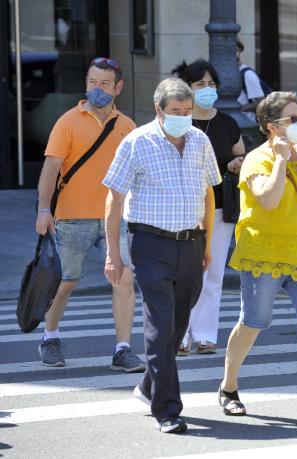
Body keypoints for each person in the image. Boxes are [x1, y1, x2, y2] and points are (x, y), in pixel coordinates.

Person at [219, 91, 297, 426]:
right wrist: (279, 158)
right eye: (292, 119)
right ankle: (229, 385)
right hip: (264, 256)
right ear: (270, 127)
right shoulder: (256, 159)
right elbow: (269, 199)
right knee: (253, 323)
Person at [102, 78, 222, 433]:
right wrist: (113, 255)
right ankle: (167, 409)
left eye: (187, 112)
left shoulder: (200, 140)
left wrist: (208, 244)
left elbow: (207, 194)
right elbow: (113, 199)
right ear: (159, 110)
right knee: (160, 322)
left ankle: (148, 387)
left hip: (191, 242)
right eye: (175, 112)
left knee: (178, 323)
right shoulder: (137, 142)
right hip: (150, 243)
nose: (183, 117)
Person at [34, 57, 144, 373]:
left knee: (123, 279)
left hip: (117, 217)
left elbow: (137, 173)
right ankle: (50, 337)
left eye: (104, 83)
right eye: (92, 82)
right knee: (65, 283)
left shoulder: (127, 126)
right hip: (72, 217)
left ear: (118, 87)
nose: (97, 88)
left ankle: (123, 349)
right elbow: (50, 169)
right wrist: (44, 210)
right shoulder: (68, 121)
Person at [172, 59, 245, 355]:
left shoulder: (227, 123)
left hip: (218, 207)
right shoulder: (179, 123)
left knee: (212, 273)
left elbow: (242, 155)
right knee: (183, 272)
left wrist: (237, 163)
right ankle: (181, 334)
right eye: (199, 83)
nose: (206, 89)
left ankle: (203, 334)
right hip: (182, 208)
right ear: (187, 88)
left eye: (211, 83)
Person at [237, 40, 267, 123]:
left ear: (239, 50)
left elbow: (261, 102)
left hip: (248, 124)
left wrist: (238, 109)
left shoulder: (247, 74)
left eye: (234, 48)